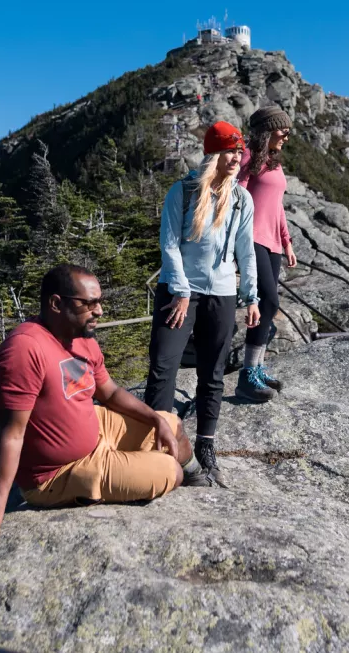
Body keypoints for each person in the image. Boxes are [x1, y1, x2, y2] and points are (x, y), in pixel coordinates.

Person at [0, 264, 208, 563]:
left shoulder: (81, 336)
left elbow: (108, 392)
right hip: (56, 472)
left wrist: (155, 419)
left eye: (100, 302)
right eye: (89, 303)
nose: (99, 311)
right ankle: (173, 474)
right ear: (56, 303)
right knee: (166, 471)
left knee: (171, 424)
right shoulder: (23, 350)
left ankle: (198, 480)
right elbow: (11, 435)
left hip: (96, 428)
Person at [144, 120, 261, 488]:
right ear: (213, 154)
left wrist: (251, 296)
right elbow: (169, 244)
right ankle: (155, 446)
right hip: (180, 292)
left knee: (212, 374)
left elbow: (246, 250)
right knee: (163, 366)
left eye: (239, 152)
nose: (236, 158)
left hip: (222, 294)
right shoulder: (183, 191)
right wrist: (180, 290)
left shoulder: (241, 199)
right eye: (230, 151)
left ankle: (205, 447)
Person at [238, 106, 298, 396]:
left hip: (272, 241)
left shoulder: (273, 161)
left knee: (269, 305)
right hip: (252, 239)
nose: (286, 137)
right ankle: (247, 375)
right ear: (267, 130)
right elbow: (235, 196)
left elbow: (276, 205)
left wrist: (286, 241)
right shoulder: (248, 157)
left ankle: (256, 368)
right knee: (269, 302)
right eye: (282, 131)